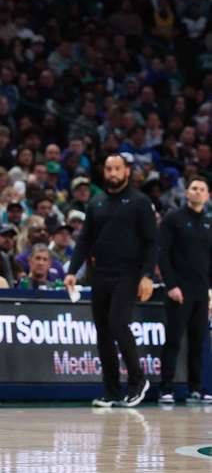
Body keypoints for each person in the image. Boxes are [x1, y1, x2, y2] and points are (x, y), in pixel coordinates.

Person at [64, 154, 157, 408]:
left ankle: (138, 381)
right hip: (100, 274)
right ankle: (112, 390)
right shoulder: (96, 203)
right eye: (108, 169)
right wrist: (72, 270)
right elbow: (84, 240)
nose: (112, 173)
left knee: (118, 323)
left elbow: (152, 242)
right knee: (103, 332)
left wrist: (147, 276)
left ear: (127, 171)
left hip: (128, 273)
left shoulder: (140, 202)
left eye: (117, 168)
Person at [157, 176, 212, 404]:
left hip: (202, 291)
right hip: (179, 290)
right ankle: (166, 388)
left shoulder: (209, 223)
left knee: (198, 341)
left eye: (202, 189)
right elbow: (163, 253)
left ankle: (196, 388)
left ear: (207, 196)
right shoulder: (173, 219)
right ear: (186, 193)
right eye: (193, 188)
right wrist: (171, 285)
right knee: (173, 340)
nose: (197, 192)